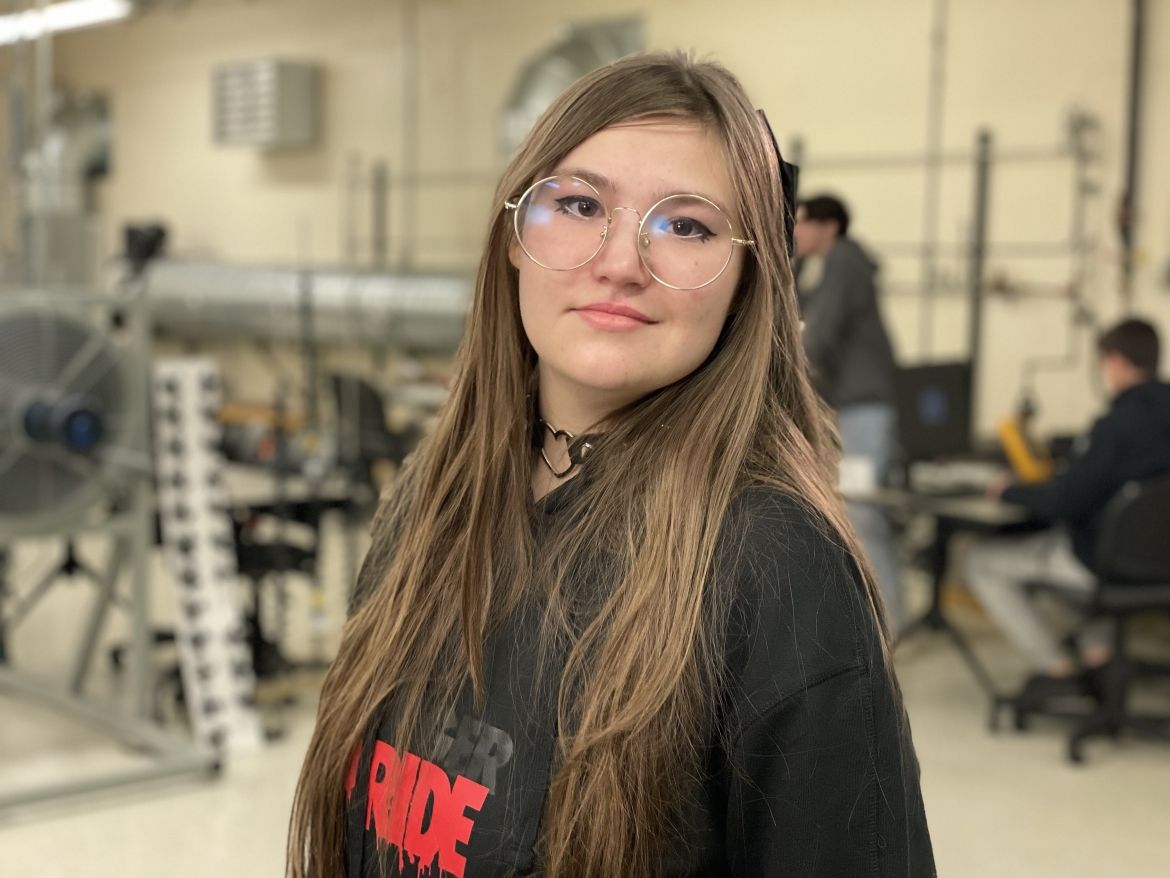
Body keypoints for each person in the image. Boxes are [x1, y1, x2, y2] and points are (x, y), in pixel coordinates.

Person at [288, 53, 934, 878]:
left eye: (687, 226)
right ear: (514, 235)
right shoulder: (433, 493)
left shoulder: (776, 566)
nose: (622, 262)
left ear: (747, 279)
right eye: (580, 204)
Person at [965, 318, 1170, 692]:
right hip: (1159, 563)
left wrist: (1009, 491)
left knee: (981, 561)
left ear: (1115, 360)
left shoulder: (1115, 426)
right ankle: (1099, 659)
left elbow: (1064, 501)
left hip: (1103, 564)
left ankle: (1056, 669)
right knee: (1082, 556)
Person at [793, 195, 903, 627]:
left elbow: (818, 332)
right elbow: (796, 305)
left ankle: (888, 623)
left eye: (804, 223)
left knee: (863, 510)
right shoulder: (831, 265)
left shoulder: (845, 263)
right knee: (858, 509)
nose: (796, 231)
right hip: (854, 406)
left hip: (866, 407)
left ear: (830, 227)